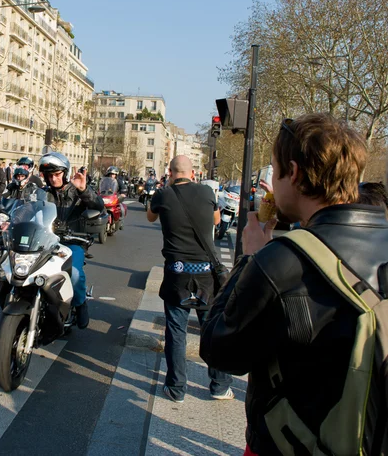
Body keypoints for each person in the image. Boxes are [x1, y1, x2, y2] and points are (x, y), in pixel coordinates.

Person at [200, 114, 388, 454]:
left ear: (294, 172)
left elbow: (218, 349)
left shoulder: (284, 261)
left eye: (274, 171)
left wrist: (249, 259)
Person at [146, 155, 232, 403]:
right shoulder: (206, 192)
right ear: (193, 173)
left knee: (176, 330)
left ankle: (176, 389)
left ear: (170, 173)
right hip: (205, 273)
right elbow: (216, 220)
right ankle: (219, 386)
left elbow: (151, 217)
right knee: (210, 328)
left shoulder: (163, 194)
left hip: (177, 273)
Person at [39, 152, 104, 329]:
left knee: (74, 274)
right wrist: (10, 221)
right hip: (44, 242)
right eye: (50, 175)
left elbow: (98, 206)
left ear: (65, 173)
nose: (53, 179)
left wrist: (84, 190)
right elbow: (26, 209)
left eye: (57, 174)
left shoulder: (77, 191)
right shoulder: (42, 194)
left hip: (71, 241)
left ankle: (80, 303)